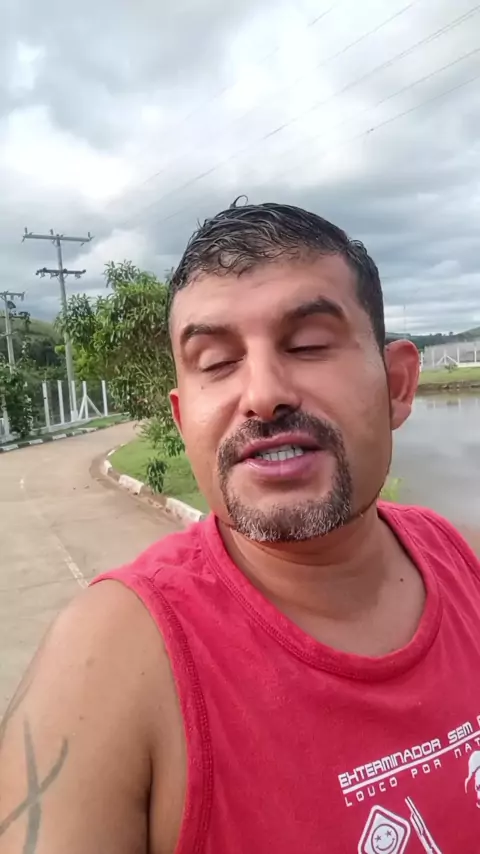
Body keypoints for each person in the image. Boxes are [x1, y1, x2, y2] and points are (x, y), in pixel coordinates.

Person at [1, 201, 479, 854]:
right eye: (217, 362)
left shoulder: (464, 561)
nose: (262, 394)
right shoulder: (112, 664)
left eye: (308, 345)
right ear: (182, 420)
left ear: (397, 385)